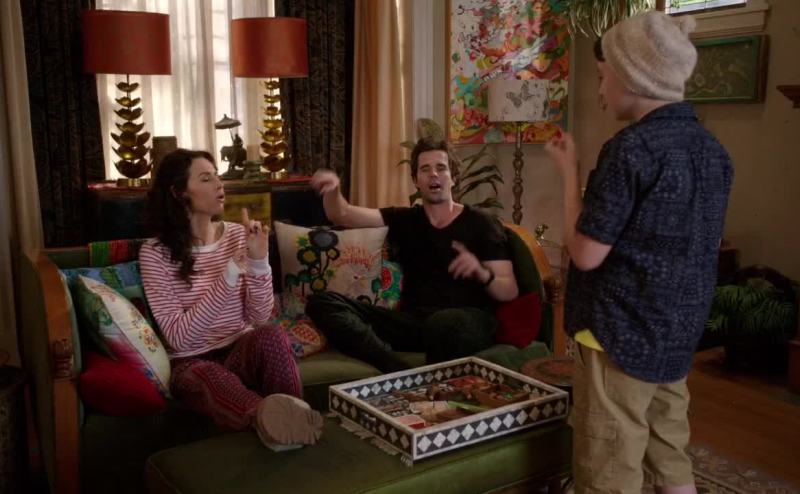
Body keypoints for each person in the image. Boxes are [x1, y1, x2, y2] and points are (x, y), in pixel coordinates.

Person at [544, 12, 733, 494]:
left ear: (632, 76)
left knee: (608, 463)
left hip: (617, 333)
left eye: (602, 76)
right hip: (676, 331)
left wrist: (569, 175)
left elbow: (585, 254)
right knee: (670, 453)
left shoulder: (630, 150)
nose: (599, 90)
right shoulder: (713, 151)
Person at [139, 148, 322, 448]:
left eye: (218, 176)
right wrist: (229, 275)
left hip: (239, 348)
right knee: (209, 374)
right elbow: (180, 339)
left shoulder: (238, 235)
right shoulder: (155, 253)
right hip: (192, 363)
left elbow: (259, 317)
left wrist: (259, 261)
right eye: (206, 179)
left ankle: (294, 415)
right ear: (178, 192)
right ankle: (273, 422)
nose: (219, 185)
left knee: (272, 335)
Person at [306, 138, 519, 373]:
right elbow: (342, 214)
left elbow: (509, 290)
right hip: (415, 323)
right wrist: (333, 189)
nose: (433, 174)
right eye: (425, 169)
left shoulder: (481, 222)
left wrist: (481, 272)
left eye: (441, 168)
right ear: (416, 180)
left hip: (468, 321)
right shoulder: (405, 219)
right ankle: (396, 369)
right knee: (322, 303)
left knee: (445, 323)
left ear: (453, 177)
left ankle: (423, 380)